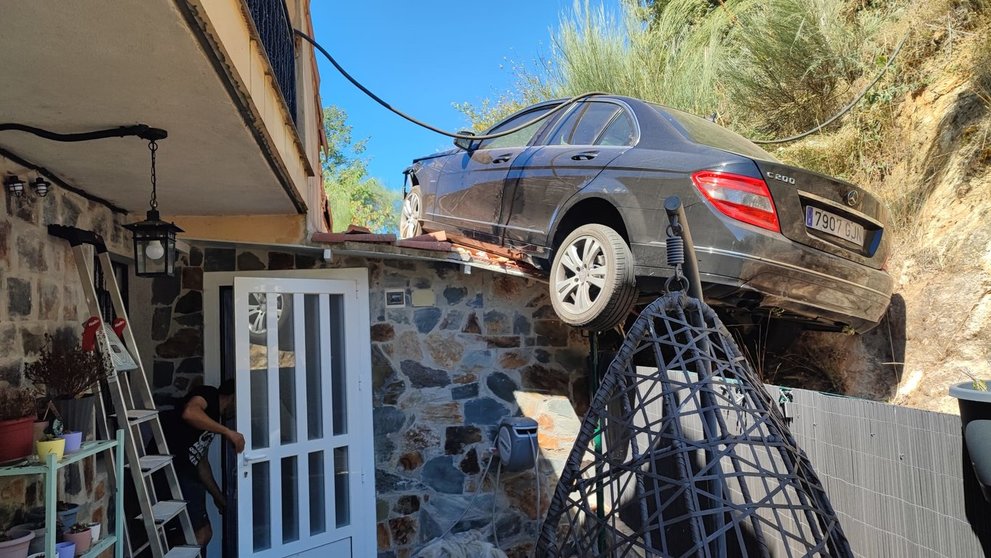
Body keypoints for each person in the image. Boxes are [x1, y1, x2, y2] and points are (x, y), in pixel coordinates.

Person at [163, 379, 244, 549]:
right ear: (234, 397)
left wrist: (219, 498)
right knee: (202, 534)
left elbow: (201, 463)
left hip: (187, 477)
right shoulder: (209, 394)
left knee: (189, 536)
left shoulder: (213, 422)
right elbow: (190, 412)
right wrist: (228, 432)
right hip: (171, 473)